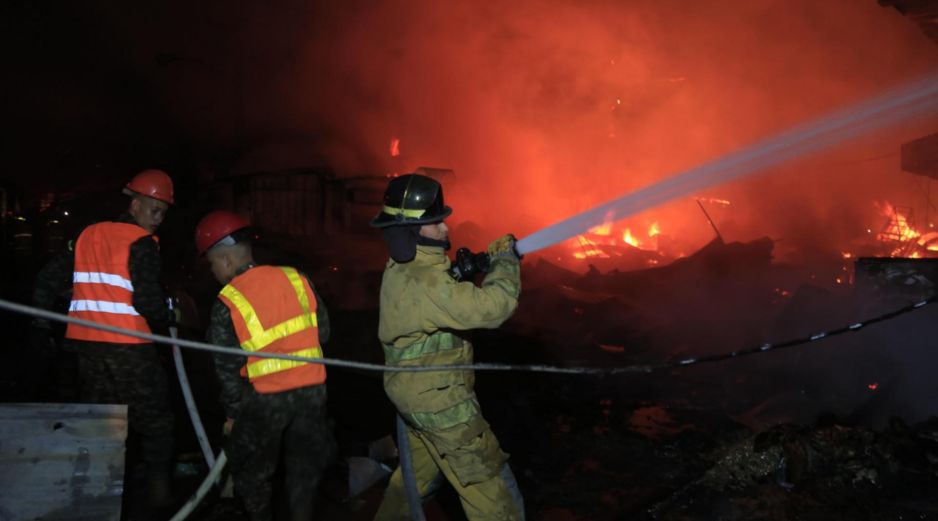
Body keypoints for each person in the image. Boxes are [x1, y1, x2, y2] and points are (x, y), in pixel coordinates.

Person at [369, 173, 525, 520]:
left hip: (416, 401)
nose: (445, 228)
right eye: (435, 223)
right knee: (494, 496)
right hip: (444, 407)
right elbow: (495, 307)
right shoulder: (426, 282)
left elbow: (434, 296)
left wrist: (459, 273)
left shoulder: (403, 268)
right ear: (413, 232)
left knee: (412, 486)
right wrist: (504, 262)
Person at [31, 169, 177, 506]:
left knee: (103, 423)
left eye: (163, 213)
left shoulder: (87, 235)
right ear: (135, 204)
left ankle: (101, 494)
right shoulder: (141, 242)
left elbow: (49, 278)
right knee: (156, 423)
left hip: (86, 352)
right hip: (131, 350)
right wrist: (172, 316)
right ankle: (161, 497)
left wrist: (40, 326)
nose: (158, 219)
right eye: (154, 210)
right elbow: (147, 302)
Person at [196, 210, 336, 521]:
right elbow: (323, 332)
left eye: (212, 264)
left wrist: (232, 415)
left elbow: (227, 369)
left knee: (253, 475)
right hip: (313, 394)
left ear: (226, 261)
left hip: (263, 401)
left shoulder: (228, 301)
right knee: (304, 472)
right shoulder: (296, 278)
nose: (214, 272)